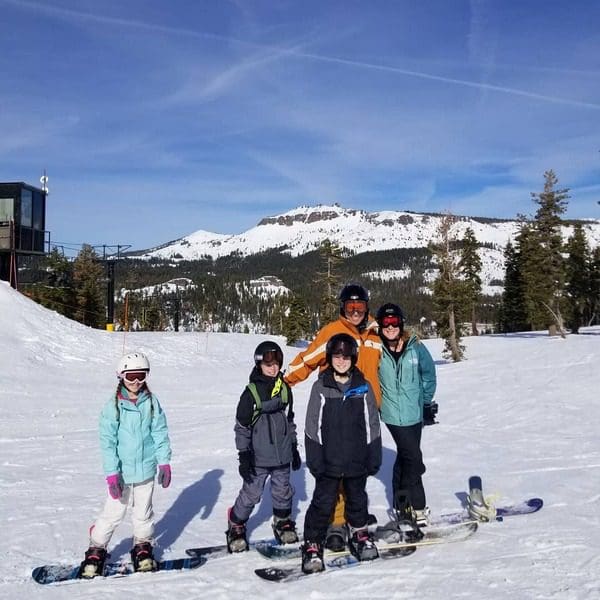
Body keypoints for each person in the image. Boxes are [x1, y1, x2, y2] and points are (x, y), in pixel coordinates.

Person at [285, 283, 382, 550]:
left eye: (360, 307)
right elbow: (308, 359)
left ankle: (355, 519)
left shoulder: (375, 334)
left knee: (355, 472)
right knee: (335, 470)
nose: (355, 312)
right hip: (334, 410)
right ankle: (336, 523)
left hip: (364, 409)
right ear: (342, 308)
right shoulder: (332, 332)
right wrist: (282, 382)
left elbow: (390, 363)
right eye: (350, 307)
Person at [79, 352, 172, 578]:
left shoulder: (151, 402)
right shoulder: (113, 406)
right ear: (121, 376)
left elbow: (159, 432)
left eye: (141, 376)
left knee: (143, 513)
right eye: (131, 376)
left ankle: (142, 545)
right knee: (113, 513)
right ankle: (96, 548)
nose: (136, 382)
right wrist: (112, 473)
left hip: (146, 470)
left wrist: (164, 463)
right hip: (121, 473)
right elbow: (108, 442)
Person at [301, 333, 382, 573]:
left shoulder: (363, 386)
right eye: (337, 356)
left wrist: (373, 452)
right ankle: (313, 544)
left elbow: (371, 424)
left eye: (346, 357)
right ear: (330, 358)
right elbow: (311, 425)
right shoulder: (322, 386)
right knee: (322, 503)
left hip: (356, 459)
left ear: (353, 358)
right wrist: (315, 458)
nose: (341, 361)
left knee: (357, 500)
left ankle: (359, 534)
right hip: (329, 461)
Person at [226, 341, 301, 552]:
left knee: (283, 490)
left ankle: (282, 521)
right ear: (259, 364)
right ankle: (236, 523)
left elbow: (290, 420)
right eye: (268, 364)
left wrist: (293, 447)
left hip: (282, 455)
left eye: (276, 363)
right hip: (258, 457)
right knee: (252, 493)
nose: (273, 367)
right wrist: (244, 455)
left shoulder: (285, 389)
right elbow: (242, 427)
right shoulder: (251, 392)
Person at [376, 303, 437, 527]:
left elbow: (429, 374)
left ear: (401, 323)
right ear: (380, 325)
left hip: (415, 413)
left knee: (404, 457)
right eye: (385, 322)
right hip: (392, 414)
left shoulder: (416, 347)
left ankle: (399, 501)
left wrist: (427, 403)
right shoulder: (377, 350)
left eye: (394, 322)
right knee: (413, 458)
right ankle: (416, 506)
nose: (390, 326)